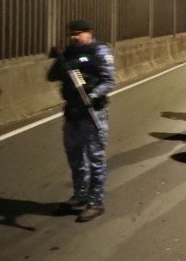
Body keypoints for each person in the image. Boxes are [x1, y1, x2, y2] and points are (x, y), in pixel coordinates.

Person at [47, 20, 115, 222]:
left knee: (95, 158)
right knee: (75, 157)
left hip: (93, 112)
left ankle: (95, 202)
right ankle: (80, 195)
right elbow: (51, 76)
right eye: (72, 34)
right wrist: (61, 62)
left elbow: (109, 80)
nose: (75, 37)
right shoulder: (68, 53)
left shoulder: (100, 51)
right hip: (72, 111)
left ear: (89, 32)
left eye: (79, 33)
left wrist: (92, 97)